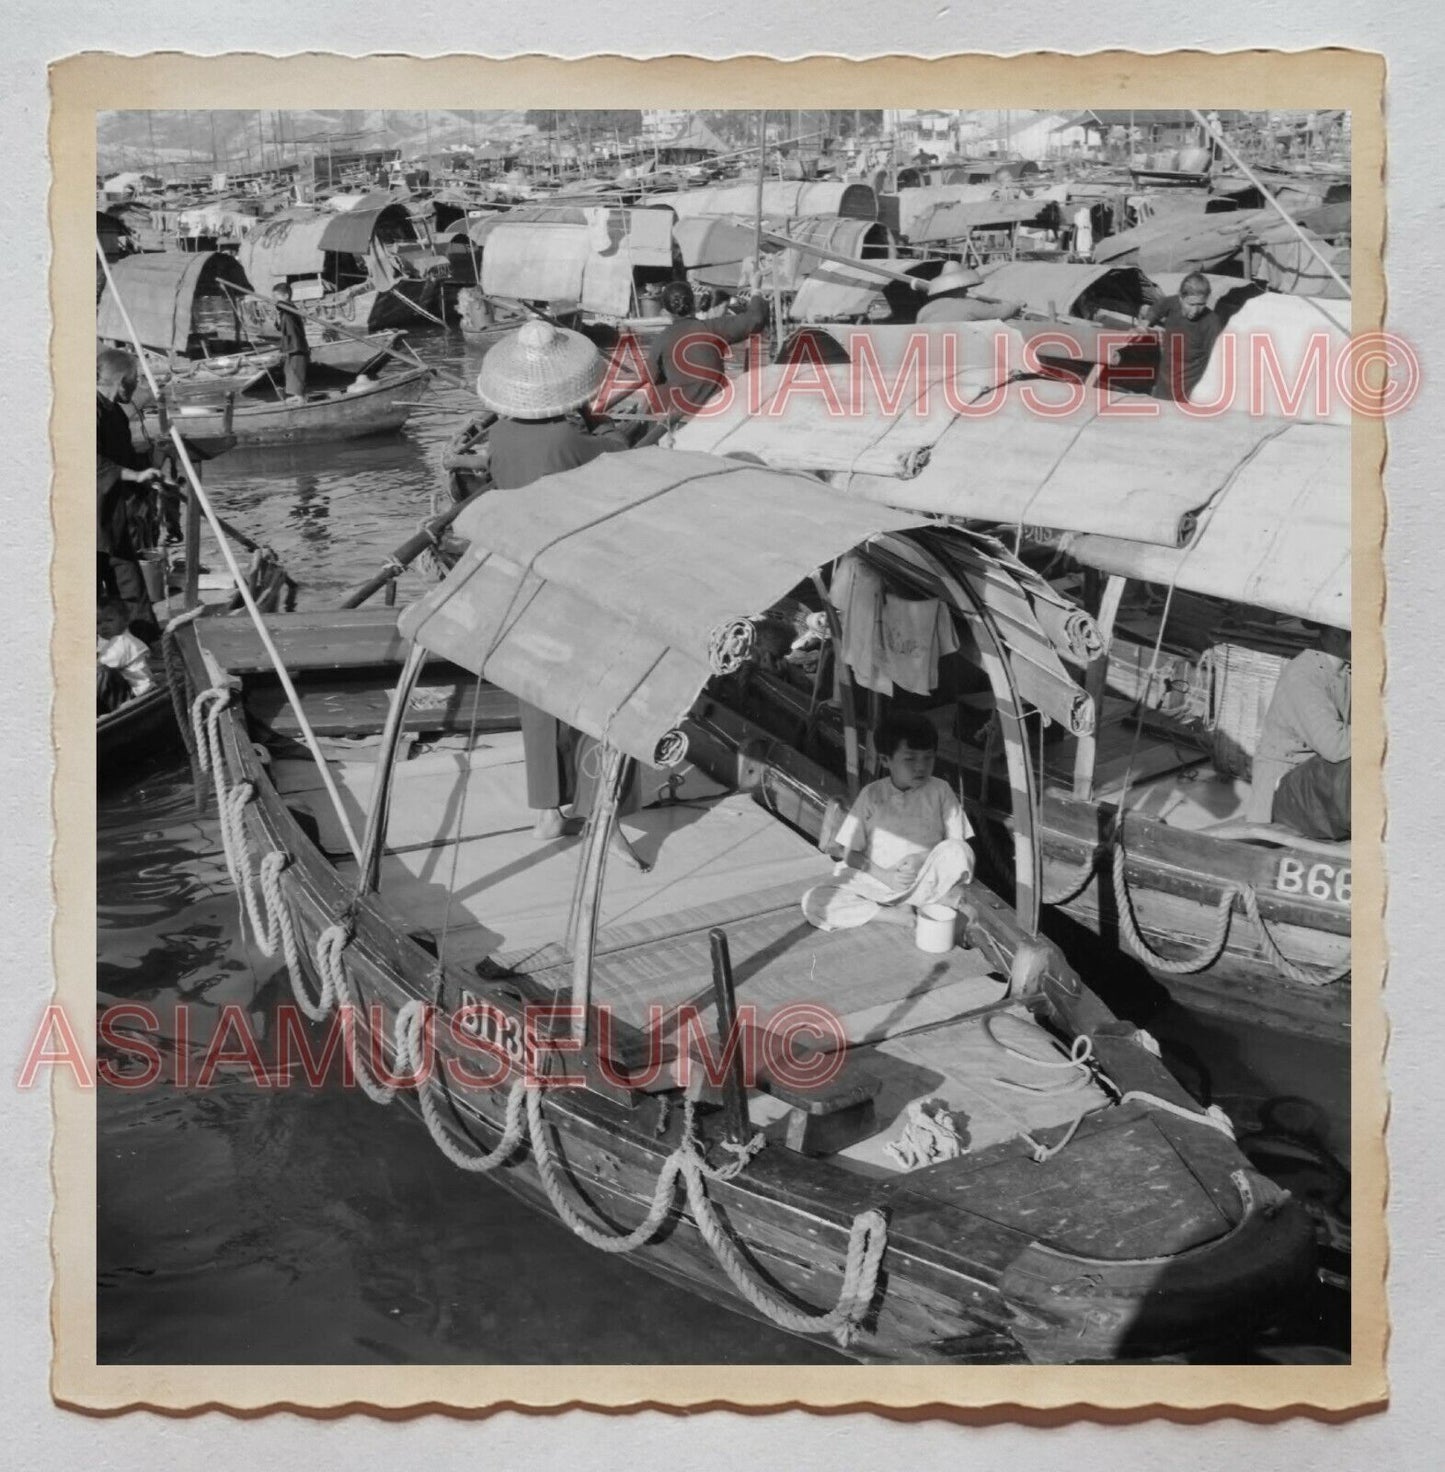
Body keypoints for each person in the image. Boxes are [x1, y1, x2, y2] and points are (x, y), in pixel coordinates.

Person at [474, 317, 647, 868]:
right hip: (578, 579)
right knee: (600, 692)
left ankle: (546, 812)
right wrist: (621, 430)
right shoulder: (572, 439)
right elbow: (618, 447)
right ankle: (603, 811)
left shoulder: (498, 436)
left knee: (537, 694)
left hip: (522, 575)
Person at [804, 713, 974, 931]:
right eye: (910, 759)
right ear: (885, 760)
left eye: (928, 758)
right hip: (877, 880)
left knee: (960, 850)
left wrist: (921, 859)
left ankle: (917, 902)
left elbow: (955, 844)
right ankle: (895, 916)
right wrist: (887, 877)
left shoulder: (940, 790)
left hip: (924, 881)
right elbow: (850, 854)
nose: (921, 767)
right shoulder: (872, 795)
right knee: (815, 899)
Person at [1245, 625, 1351, 841]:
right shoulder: (1302, 676)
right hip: (1284, 789)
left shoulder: (1346, 670)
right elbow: (1336, 746)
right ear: (1336, 634)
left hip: (1317, 781)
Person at [96, 347, 163, 635]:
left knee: (130, 584)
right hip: (90, 519)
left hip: (114, 517)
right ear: (123, 381)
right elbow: (91, 461)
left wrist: (151, 472)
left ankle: (149, 644)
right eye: (135, 380)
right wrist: (135, 475)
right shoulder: (88, 411)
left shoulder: (117, 416)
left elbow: (126, 457)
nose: (137, 386)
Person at [645, 276, 769, 418]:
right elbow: (755, 320)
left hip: (682, 415)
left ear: (666, 310)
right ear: (693, 304)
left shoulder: (661, 340)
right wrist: (756, 290)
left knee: (659, 387)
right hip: (715, 411)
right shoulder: (711, 328)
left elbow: (651, 376)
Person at [1143, 269, 1223, 401]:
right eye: (1191, 304)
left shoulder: (1212, 323)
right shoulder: (1173, 304)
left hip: (1190, 390)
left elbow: (1215, 363)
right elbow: (1160, 306)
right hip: (1164, 383)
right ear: (1180, 298)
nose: (1195, 310)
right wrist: (1145, 324)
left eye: (1201, 304)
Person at [914, 260, 1022, 325]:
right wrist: (1015, 304)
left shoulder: (925, 310)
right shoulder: (969, 306)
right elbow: (1000, 312)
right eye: (965, 288)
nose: (966, 290)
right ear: (961, 288)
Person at [96, 599, 154, 714]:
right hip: (138, 688)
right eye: (98, 623)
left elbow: (100, 665)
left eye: (109, 620)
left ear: (125, 621)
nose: (103, 626)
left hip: (136, 693)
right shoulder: (123, 639)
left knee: (101, 673)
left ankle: (112, 710)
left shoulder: (120, 641)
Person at [273, 282, 310, 401]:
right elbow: (280, 327)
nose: (275, 300)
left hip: (296, 345)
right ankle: (296, 395)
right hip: (290, 345)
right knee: (289, 370)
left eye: (277, 296)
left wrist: (278, 304)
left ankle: (300, 396)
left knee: (296, 370)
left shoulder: (290, 308)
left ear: (286, 296)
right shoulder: (285, 311)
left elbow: (280, 305)